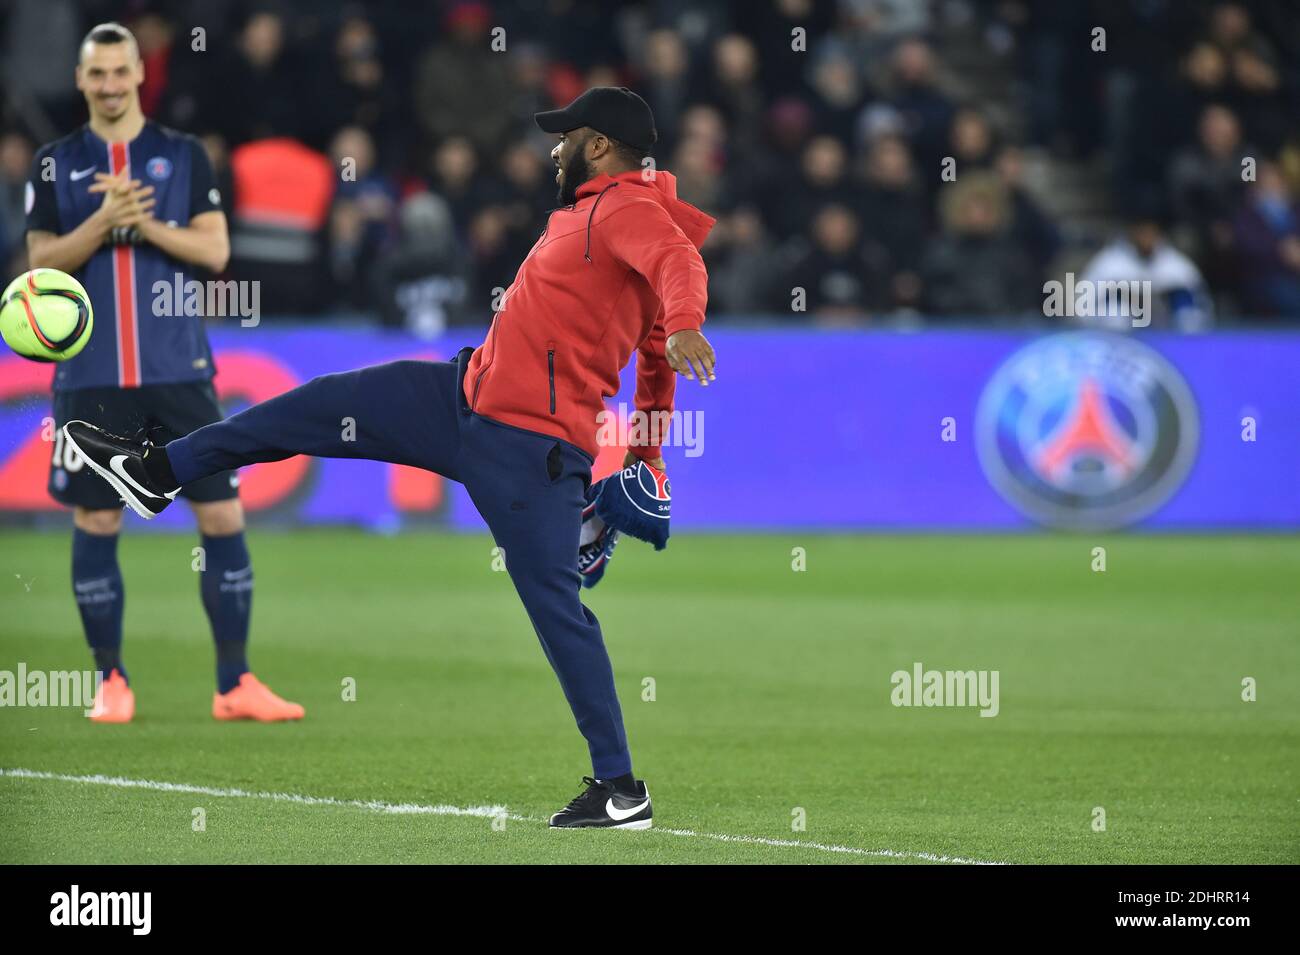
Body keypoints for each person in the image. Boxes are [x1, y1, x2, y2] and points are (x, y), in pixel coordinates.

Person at [65, 87, 719, 829]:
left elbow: (679, 271)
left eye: (566, 136)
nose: (554, 147)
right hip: (458, 399)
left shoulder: (627, 209)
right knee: (312, 407)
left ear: (599, 145)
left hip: (528, 448)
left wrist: (689, 330)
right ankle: (159, 472)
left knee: (558, 611)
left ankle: (622, 789)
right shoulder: (597, 209)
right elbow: (659, 357)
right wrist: (651, 453)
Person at [25, 22, 302, 724]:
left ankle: (234, 682)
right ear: (83, 80)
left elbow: (214, 253)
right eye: (98, 74)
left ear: (139, 74)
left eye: (121, 72)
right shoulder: (55, 164)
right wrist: (102, 222)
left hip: (179, 369)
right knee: (97, 514)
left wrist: (142, 226)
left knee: (221, 511)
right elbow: (39, 265)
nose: (111, 85)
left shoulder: (184, 157)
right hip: (89, 375)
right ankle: (111, 680)